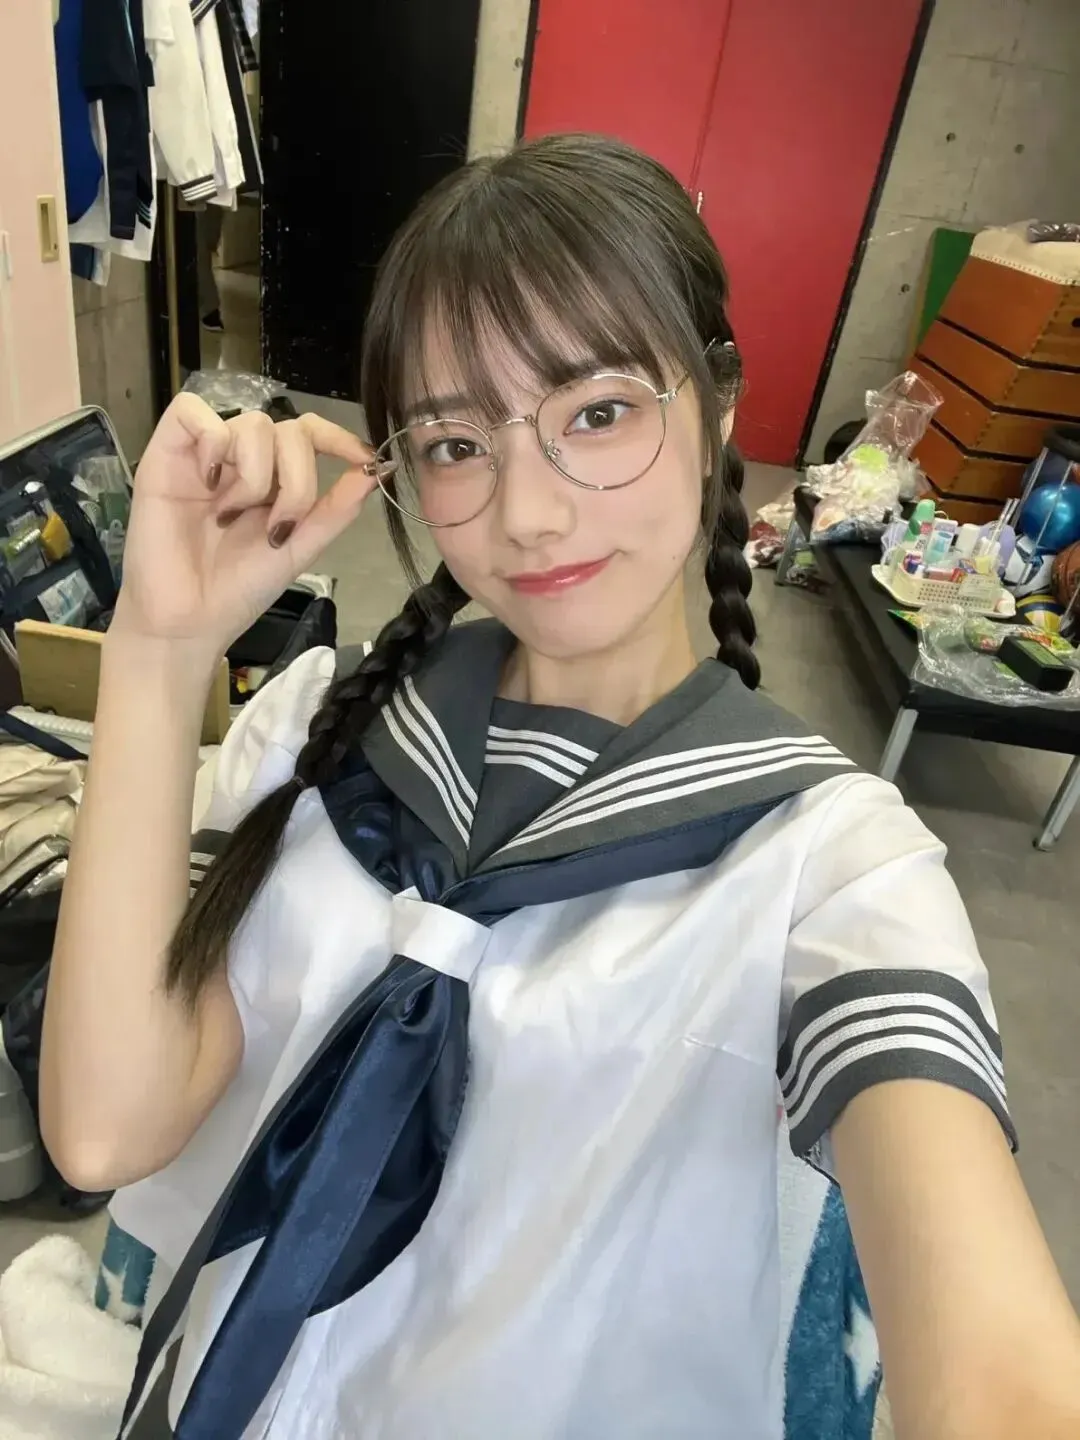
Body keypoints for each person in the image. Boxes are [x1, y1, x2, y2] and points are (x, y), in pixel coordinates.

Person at [40, 135, 1080, 1439]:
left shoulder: (831, 878)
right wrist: (158, 647)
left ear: (717, 403)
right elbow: (104, 1132)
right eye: (456, 440)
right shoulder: (311, 734)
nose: (527, 512)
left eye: (597, 413)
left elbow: (999, 1374)